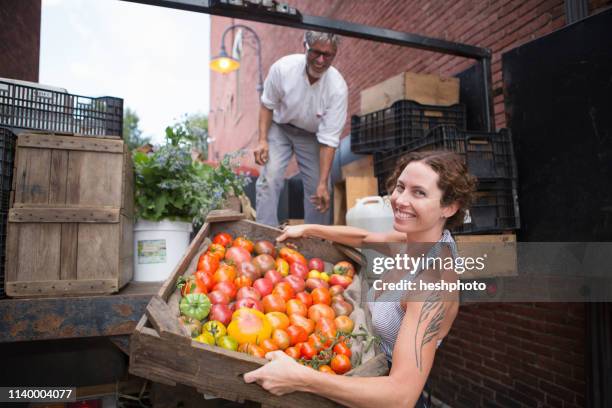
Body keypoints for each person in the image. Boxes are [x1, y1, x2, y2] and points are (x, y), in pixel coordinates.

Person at [244, 150, 477, 407]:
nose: (401, 200)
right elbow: (364, 238)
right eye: (400, 187)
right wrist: (310, 228)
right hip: (362, 373)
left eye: (419, 193)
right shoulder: (416, 240)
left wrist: (302, 378)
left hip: (377, 393)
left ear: (449, 207)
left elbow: (401, 397)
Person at [254, 30, 348, 227]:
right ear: (304, 45)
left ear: (335, 53)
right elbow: (267, 105)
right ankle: (264, 235)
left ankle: (315, 242)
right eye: (316, 52)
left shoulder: (337, 88)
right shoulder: (283, 68)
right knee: (269, 178)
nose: (321, 60)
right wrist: (262, 139)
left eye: (328, 55)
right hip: (280, 127)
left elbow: (329, 141)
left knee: (320, 189)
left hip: (312, 136)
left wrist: (323, 182)